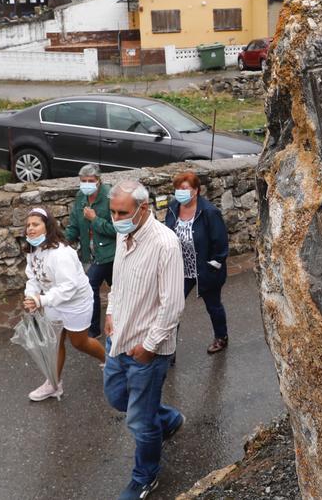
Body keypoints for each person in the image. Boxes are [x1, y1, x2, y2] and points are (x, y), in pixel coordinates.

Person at [103, 180, 185, 500]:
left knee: (139, 422)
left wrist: (149, 347)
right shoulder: (126, 235)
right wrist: (110, 312)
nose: (116, 218)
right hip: (118, 339)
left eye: (122, 212)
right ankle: (167, 418)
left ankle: (145, 476)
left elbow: (173, 305)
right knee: (116, 398)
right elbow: (119, 283)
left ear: (144, 208)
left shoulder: (165, 244)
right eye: (112, 212)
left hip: (146, 352)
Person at [21, 207, 105, 402]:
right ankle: (53, 384)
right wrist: (31, 295)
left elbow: (69, 286)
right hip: (53, 300)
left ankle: (109, 362)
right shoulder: (33, 250)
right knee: (55, 342)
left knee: (80, 343)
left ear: (47, 227)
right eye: (28, 225)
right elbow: (33, 277)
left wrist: (41, 300)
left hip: (75, 301)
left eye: (36, 224)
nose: (30, 229)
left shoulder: (62, 254)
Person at [164, 171, 230, 354]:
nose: (180, 192)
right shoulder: (173, 207)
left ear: (196, 191)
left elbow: (221, 243)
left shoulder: (209, 212)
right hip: (179, 269)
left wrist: (214, 264)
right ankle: (168, 348)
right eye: (177, 188)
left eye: (184, 188)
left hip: (204, 270)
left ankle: (221, 337)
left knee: (213, 305)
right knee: (172, 309)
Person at [64, 164, 116, 338]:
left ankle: (93, 331)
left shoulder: (110, 197)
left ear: (99, 181)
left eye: (90, 181)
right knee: (115, 288)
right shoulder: (80, 197)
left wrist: (95, 220)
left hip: (109, 253)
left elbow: (117, 229)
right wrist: (63, 241)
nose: (86, 184)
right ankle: (108, 323)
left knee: (90, 285)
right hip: (89, 253)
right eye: (83, 181)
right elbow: (74, 225)